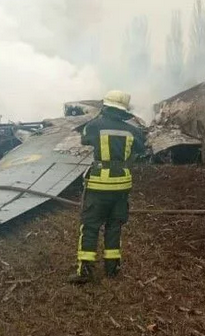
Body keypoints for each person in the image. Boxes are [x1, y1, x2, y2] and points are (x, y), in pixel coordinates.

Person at [69, 90, 147, 284]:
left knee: (90, 226)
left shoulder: (94, 126)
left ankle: (85, 271)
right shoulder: (134, 131)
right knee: (114, 226)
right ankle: (112, 269)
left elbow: (84, 139)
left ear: (106, 106)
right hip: (122, 186)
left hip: (99, 185)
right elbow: (141, 148)